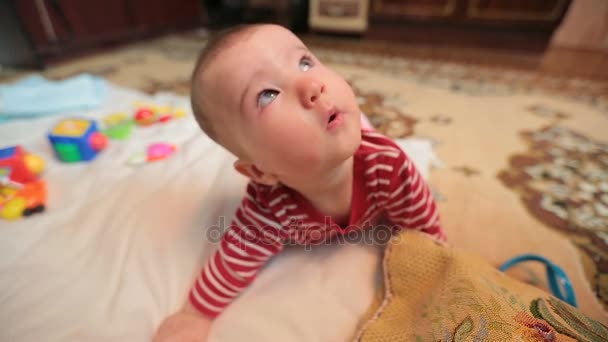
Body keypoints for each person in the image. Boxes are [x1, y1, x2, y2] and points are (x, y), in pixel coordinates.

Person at [154, 23, 446, 342]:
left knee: (360, 129)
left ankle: (358, 124)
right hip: (315, 141)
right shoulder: (269, 208)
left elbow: (425, 229)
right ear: (261, 172)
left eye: (305, 62)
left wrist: (441, 275)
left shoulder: (387, 164)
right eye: (267, 95)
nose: (311, 85)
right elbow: (233, 261)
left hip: (354, 137)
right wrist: (194, 315)